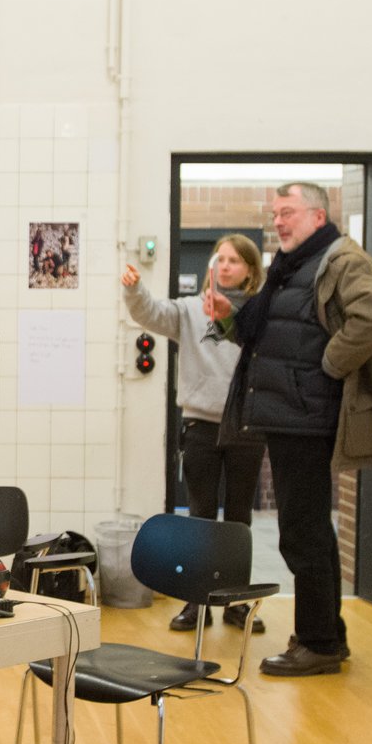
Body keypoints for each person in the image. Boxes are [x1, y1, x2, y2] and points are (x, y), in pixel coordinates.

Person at [207, 182, 372, 677]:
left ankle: (317, 642)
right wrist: (231, 319)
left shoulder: (341, 260)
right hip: (287, 414)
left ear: (318, 216)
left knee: (303, 532)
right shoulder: (290, 265)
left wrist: (329, 363)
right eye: (275, 213)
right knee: (305, 530)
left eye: (289, 212)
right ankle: (327, 635)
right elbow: (275, 336)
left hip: (306, 416)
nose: (278, 221)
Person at [121, 234, 268, 634]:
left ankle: (236, 603)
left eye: (234, 261)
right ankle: (195, 604)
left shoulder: (259, 313)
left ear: (250, 271)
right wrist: (134, 289)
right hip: (200, 426)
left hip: (246, 427)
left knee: (238, 519)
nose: (223, 266)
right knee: (200, 517)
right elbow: (150, 313)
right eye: (219, 259)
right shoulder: (189, 310)